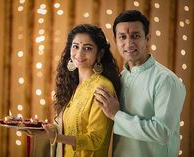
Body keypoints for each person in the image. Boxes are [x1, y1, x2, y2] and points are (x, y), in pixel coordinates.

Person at [94, 10, 186, 157]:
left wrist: (116, 115)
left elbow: (162, 132)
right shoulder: (120, 78)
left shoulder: (166, 80)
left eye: (135, 36)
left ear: (147, 38)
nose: (128, 43)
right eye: (122, 37)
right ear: (115, 40)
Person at [42, 24, 121, 157]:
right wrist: (40, 130)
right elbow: (65, 127)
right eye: (76, 46)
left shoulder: (102, 87)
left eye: (88, 48)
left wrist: (57, 137)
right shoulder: (71, 85)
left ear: (100, 53)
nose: (79, 53)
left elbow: (95, 139)